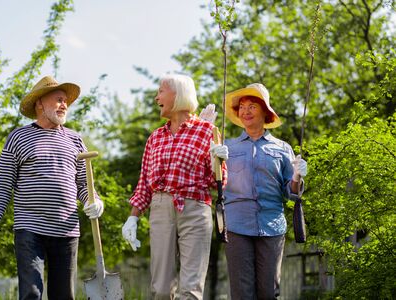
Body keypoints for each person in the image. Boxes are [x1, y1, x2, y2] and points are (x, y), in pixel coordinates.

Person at [0, 76, 104, 300]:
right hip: (30, 228)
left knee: (64, 296)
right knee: (31, 294)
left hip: (66, 230)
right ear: (39, 103)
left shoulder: (75, 141)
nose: (64, 105)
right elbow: (2, 186)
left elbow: (84, 185)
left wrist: (92, 201)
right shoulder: (18, 138)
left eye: (65, 101)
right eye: (58, 99)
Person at [121, 73, 228, 299]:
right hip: (160, 208)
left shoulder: (208, 131)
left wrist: (217, 161)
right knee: (160, 288)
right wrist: (133, 216)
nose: (156, 97)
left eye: (161, 91)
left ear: (178, 94)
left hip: (195, 208)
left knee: (190, 290)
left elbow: (219, 184)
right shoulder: (155, 138)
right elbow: (144, 184)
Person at [223, 83, 307, 299]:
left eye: (252, 106)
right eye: (242, 107)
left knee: (270, 291)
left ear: (265, 112)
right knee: (242, 293)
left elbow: (292, 192)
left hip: (272, 226)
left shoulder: (282, 148)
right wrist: (212, 154)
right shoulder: (227, 147)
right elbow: (212, 181)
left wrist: (297, 176)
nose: (245, 111)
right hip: (236, 226)